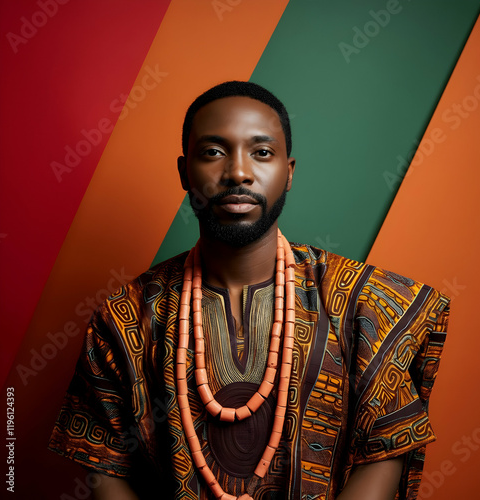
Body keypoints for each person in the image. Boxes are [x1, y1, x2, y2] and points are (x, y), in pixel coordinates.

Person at [49, 81, 450, 500]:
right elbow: (107, 469)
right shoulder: (124, 317)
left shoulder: (365, 305)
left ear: (289, 172)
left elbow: (383, 453)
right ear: (185, 172)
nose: (238, 172)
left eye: (261, 152)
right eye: (213, 152)